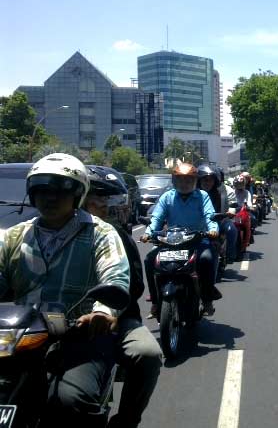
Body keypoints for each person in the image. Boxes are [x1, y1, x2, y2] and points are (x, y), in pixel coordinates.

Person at [0, 153, 130, 425]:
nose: (50, 198)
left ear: (77, 195)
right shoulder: (12, 236)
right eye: (42, 190)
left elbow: (115, 275)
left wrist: (102, 312)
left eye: (60, 191)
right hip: (19, 337)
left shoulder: (100, 233)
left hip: (79, 335)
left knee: (71, 401)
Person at [83, 166, 162, 428]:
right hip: (52, 318)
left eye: (111, 200)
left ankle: (126, 421)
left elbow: (134, 287)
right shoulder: (33, 231)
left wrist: (108, 309)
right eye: (98, 199)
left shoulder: (119, 236)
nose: (105, 207)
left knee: (148, 354)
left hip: (119, 317)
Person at [141, 163, 220, 318]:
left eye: (188, 181)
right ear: (174, 181)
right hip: (171, 241)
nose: (184, 184)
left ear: (195, 182)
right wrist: (148, 233)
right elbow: (156, 218)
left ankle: (207, 299)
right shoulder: (167, 197)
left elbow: (210, 216)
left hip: (197, 240)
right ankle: (156, 302)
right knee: (150, 259)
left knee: (206, 259)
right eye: (180, 180)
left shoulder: (202, 196)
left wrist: (213, 230)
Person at [197, 165, 238, 264]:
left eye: (210, 180)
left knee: (231, 230)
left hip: (219, 220)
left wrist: (230, 213)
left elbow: (231, 204)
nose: (208, 183)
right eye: (205, 180)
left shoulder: (223, 191)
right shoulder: (193, 194)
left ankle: (230, 254)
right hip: (197, 224)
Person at [232, 175, 252, 252]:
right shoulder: (232, 192)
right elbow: (230, 201)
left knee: (252, 220)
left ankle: (249, 238)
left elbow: (249, 201)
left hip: (244, 212)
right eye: (237, 184)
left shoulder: (247, 192)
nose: (239, 186)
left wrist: (250, 207)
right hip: (234, 213)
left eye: (240, 184)